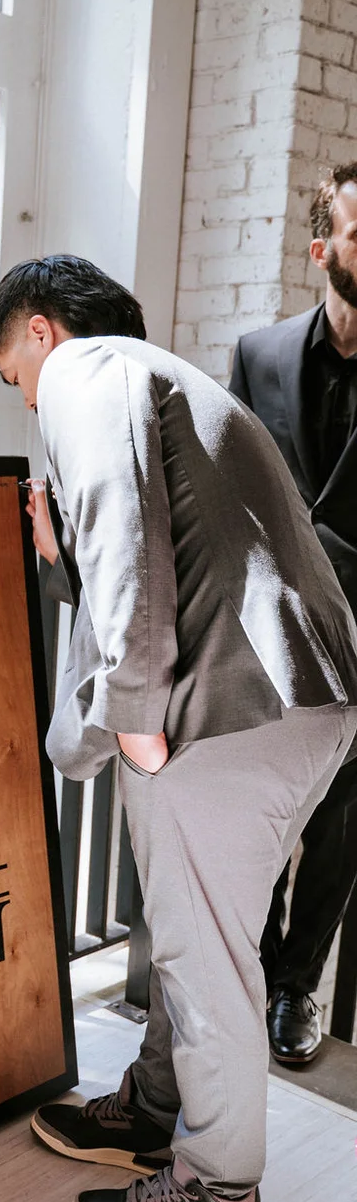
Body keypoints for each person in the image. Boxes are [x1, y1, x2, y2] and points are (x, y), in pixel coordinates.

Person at [0, 253, 357, 1202]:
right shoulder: (164, 376)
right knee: (202, 934)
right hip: (292, 701)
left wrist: (133, 722)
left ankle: (217, 1201)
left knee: (203, 959)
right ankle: (156, 1110)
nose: (26, 398)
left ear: (39, 329)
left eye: (14, 376)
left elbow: (119, 532)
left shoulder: (84, 372)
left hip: (225, 717)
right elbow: (162, 544)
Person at [229, 162, 357, 1067]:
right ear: (324, 249)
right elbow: (232, 487)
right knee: (263, 813)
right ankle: (254, 967)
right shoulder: (260, 354)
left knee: (342, 825)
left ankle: (295, 987)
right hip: (272, 643)